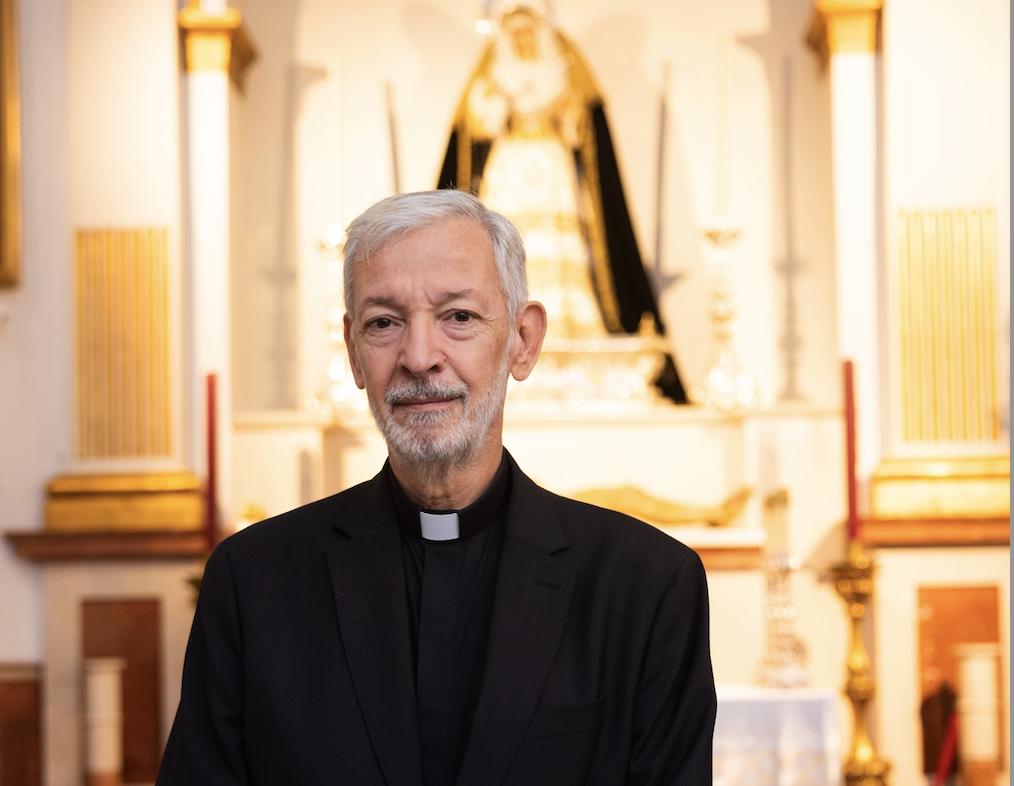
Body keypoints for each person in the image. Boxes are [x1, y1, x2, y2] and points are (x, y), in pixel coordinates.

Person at [156, 190, 715, 786]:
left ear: (523, 341)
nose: (420, 358)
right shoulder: (253, 581)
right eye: (384, 323)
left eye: (459, 317)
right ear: (352, 351)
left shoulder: (646, 586)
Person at [438, 5, 687, 401]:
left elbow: (581, 132)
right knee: (507, 242)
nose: (522, 40)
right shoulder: (493, 76)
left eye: (527, 32)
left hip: (550, 165)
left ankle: (568, 324)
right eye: (514, 33)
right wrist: (498, 103)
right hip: (512, 164)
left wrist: (563, 110)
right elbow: (478, 126)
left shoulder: (562, 72)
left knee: (557, 243)